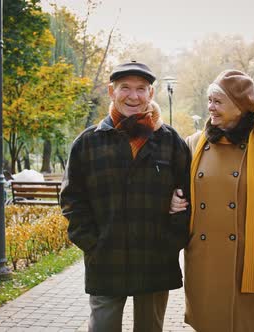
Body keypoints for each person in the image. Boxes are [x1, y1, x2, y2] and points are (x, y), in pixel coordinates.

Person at [60, 61, 191, 332]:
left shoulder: (170, 142)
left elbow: (189, 195)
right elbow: (72, 199)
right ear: (111, 91)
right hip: (106, 260)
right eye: (125, 88)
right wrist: (92, 244)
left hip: (155, 259)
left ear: (151, 94)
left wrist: (171, 242)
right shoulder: (88, 143)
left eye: (141, 88)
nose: (133, 96)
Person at [170, 69, 254, 332]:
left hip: (248, 264)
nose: (210, 108)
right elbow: (181, 193)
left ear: (240, 106)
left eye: (217, 101)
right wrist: (174, 201)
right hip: (204, 262)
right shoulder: (193, 143)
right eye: (209, 100)